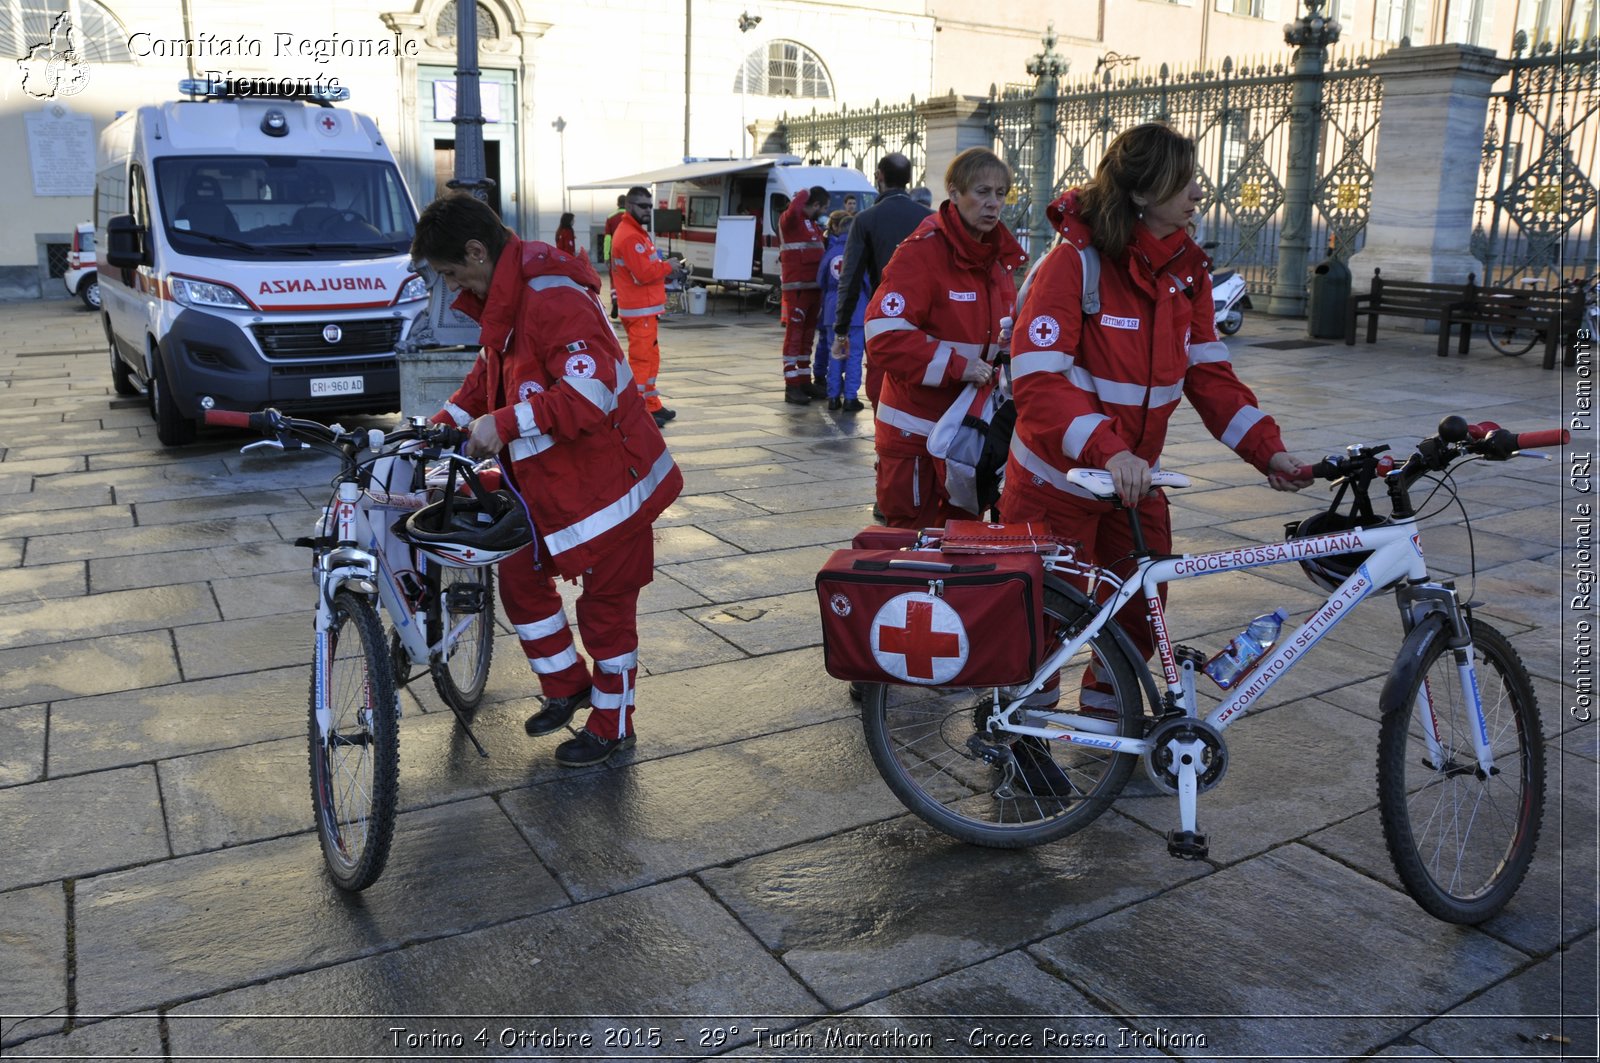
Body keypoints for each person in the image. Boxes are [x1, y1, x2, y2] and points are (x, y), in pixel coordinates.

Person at [1000, 122, 1306, 731]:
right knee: (1044, 616)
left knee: (1143, 610)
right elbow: (1038, 382)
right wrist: (1109, 450)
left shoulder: (1185, 273)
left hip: (1131, 486)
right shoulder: (1073, 266)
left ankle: (1109, 727)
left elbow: (1212, 378)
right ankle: (1020, 737)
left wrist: (1268, 452)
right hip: (1056, 484)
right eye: (1184, 180)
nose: (1198, 193)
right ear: (1142, 192)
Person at [412, 193, 683, 767]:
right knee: (518, 575)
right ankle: (567, 687)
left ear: (477, 251)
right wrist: (442, 425)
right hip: (555, 485)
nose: (453, 285)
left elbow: (593, 391)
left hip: (612, 489)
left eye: (452, 272)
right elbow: (488, 377)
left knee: (606, 616)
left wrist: (503, 424)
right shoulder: (511, 294)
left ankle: (613, 726)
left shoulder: (550, 297)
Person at [864, 147, 1026, 529]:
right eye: (982, 192)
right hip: (915, 435)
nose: (993, 204)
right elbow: (884, 335)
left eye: (1001, 194)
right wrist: (958, 366)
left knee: (961, 543)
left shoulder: (996, 257)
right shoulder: (922, 253)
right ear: (953, 193)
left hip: (965, 436)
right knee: (915, 547)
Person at [832, 154, 932, 409]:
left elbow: (850, 279)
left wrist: (841, 329)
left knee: (882, 391)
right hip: (928, 320)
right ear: (909, 179)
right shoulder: (930, 219)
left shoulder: (865, 220)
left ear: (879, 176)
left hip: (885, 319)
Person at [611, 185, 678, 428]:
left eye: (650, 206)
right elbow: (644, 273)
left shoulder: (635, 232)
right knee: (641, 361)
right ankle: (639, 413)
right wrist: (669, 266)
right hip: (640, 309)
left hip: (645, 309)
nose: (648, 210)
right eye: (643, 206)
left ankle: (652, 405)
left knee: (650, 358)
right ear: (630, 206)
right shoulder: (630, 236)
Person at [777, 184, 831, 404]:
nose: (824, 211)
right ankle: (792, 386)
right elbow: (794, 208)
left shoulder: (811, 224)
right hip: (797, 287)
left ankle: (803, 380)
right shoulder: (790, 220)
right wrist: (804, 191)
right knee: (795, 335)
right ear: (815, 204)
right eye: (823, 207)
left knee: (807, 336)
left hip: (813, 287)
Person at [816, 210, 864, 412]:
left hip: (831, 310)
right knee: (853, 355)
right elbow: (867, 282)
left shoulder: (830, 252)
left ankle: (833, 397)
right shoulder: (858, 252)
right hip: (857, 310)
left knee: (834, 354)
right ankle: (851, 398)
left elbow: (820, 280)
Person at [603, 194, 626, 320]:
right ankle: (625, 303)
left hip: (614, 253)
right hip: (629, 253)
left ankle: (615, 299)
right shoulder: (631, 216)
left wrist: (606, 255)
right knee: (627, 278)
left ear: (617, 204)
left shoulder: (610, 217)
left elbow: (607, 238)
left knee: (614, 278)